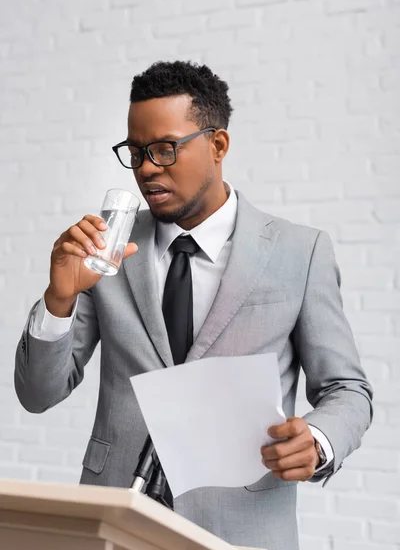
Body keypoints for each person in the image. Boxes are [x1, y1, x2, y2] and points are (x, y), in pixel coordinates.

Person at [15, 60, 373, 550]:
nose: (145, 168)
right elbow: (38, 394)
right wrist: (59, 298)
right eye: (136, 152)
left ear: (218, 145)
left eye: (165, 149)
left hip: (241, 528)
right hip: (113, 522)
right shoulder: (106, 249)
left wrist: (319, 440)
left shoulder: (299, 251)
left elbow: (347, 389)